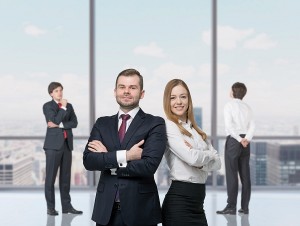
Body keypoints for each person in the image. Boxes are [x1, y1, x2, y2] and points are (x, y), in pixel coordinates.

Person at [83, 68, 167, 226]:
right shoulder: (102, 124)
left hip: (141, 212)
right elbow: (89, 161)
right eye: (122, 87)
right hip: (105, 212)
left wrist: (108, 158)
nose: (126, 91)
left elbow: (148, 166)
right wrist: (126, 156)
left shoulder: (154, 123)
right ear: (115, 92)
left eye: (132, 87)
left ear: (142, 93)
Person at [161, 79, 221, 226]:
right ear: (167, 102)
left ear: (189, 99)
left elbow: (218, 163)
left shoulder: (196, 130)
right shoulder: (169, 127)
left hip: (198, 204)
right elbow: (193, 158)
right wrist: (207, 156)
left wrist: (200, 158)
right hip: (179, 203)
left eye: (183, 96)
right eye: (173, 97)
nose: (179, 101)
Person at [43, 82, 82, 216]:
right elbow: (54, 118)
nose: (59, 93)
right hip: (53, 146)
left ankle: (67, 207)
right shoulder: (48, 106)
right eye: (56, 91)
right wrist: (63, 107)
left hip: (66, 145)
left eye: (60, 90)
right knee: (50, 178)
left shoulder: (69, 106)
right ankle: (50, 208)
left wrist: (58, 125)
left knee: (65, 178)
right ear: (51, 93)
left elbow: (74, 123)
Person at [216, 82, 255, 215]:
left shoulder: (229, 105)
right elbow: (252, 126)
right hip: (246, 142)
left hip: (234, 141)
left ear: (233, 92)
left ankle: (231, 207)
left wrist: (239, 140)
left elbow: (229, 127)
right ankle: (245, 207)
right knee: (245, 175)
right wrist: (246, 139)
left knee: (232, 175)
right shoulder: (248, 107)